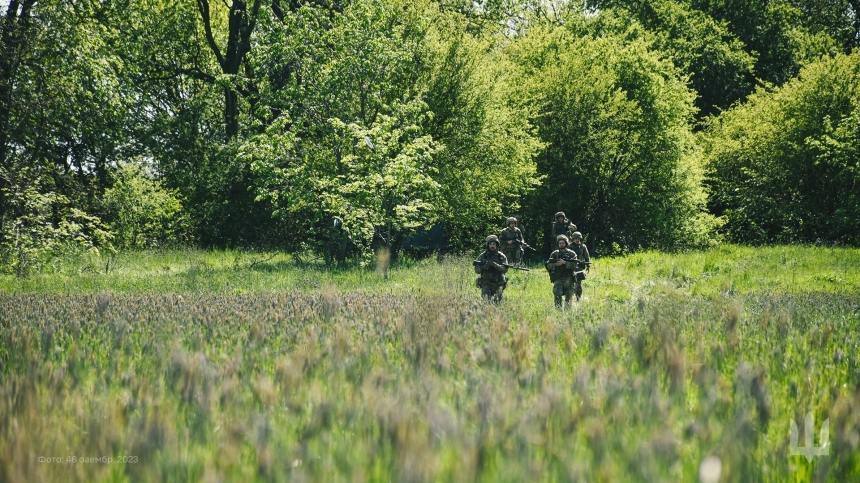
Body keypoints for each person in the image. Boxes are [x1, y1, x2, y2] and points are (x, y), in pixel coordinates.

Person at [545, 234, 582, 308]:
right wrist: (556, 264)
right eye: (560, 243)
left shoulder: (572, 253)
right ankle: (558, 312)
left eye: (563, 243)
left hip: (569, 278)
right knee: (557, 295)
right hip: (558, 278)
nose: (561, 245)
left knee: (569, 297)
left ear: (566, 243)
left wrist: (565, 263)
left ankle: (567, 313)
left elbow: (575, 266)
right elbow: (548, 265)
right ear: (558, 244)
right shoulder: (554, 254)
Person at [474, 235, 509, 303]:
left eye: (494, 244)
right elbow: (476, 270)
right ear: (487, 245)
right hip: (486, 283)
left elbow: (505, 269)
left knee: (497, 303)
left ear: (497, 245)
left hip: (498, 283)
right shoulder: (482, 256)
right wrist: (483, 267)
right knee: (486, 302)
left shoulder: (501, 256)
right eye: (490, 244)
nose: (492, 246)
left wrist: (495, 265)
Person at [568, 231, 590, 300]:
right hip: (571, 267)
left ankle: (578, 298)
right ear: (573, 239)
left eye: (579, 238)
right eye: (576, 238)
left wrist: (588, 266)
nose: (577, 240)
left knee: (578, 284)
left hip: (579, 267)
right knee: (570, 283)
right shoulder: (569, 246)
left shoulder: (583, 246)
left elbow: (587, 256)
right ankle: (570, 297)